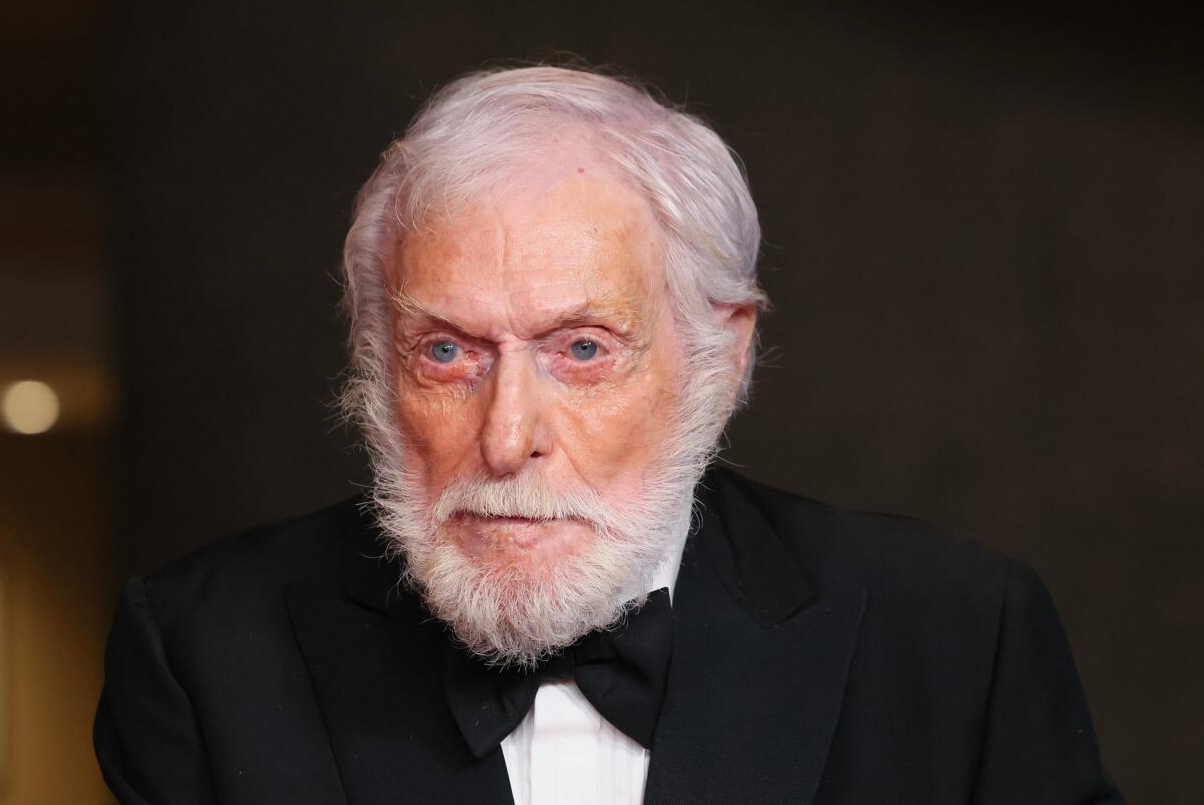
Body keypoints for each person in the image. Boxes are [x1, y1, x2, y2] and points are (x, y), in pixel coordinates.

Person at [93, 65, 1123, 804]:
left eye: (581, 349)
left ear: (719, 358)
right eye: (446, 352)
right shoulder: (203, 652)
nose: (507, 439)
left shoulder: (956, 638)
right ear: (375, 364)